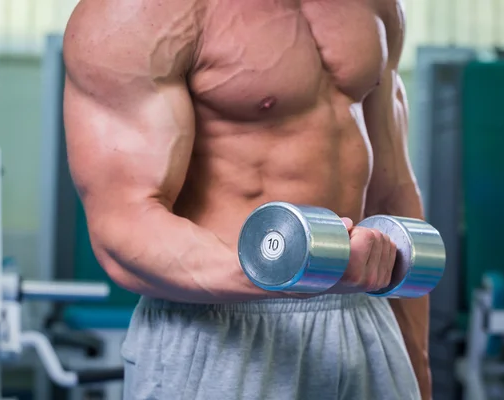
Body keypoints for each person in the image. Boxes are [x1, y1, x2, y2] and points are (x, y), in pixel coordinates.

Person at [63, 0, 430, 399]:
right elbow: (124, 225)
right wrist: (298, 269)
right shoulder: (138, 13)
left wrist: (416, 364)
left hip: (363, 319)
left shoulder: (378, 7)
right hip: (219, 330)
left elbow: (391, 195)